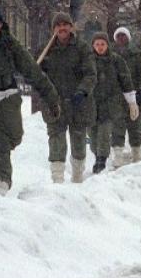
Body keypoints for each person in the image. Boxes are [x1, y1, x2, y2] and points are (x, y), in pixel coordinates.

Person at [0, 4, 61, 196]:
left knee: (0, 144)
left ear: (0, 25)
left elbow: (32, 71)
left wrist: (51, 98)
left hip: (3, 102)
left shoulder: (9, 45)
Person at [39, 12, 97, 183]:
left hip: (78, 102)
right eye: (58, 25)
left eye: (65, 25)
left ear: (71, 27)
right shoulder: (46, 50)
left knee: (78, 138)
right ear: (53, 29)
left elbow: (90, 74)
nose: (62, 28)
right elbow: (37, 74)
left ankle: (78, 175)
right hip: (54, 102)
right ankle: (57, 178)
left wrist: (82, 91)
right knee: (56, 138)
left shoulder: (82, 48)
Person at [88, 32, 135, 174]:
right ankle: (96, 154)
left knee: (104, 133)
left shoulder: (116, 61)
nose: (100, 47)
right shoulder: (87, 60)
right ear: (93, 46)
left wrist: (132, 102)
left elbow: (125, 80)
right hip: (91, 104)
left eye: (102, 44)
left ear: (107, 45)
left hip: (110, 104)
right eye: (97, 44)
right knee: (92, 134)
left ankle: (101, 160)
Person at [110, 26, 141, 167]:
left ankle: (136, 153)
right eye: (119, 36)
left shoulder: (137, 54)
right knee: (117, 127)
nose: (121, 39)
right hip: (116, 97)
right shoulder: (110, 54)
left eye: (124, 36)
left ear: (128, 38)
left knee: (135, 125)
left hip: (134, 97)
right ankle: (118, 155)